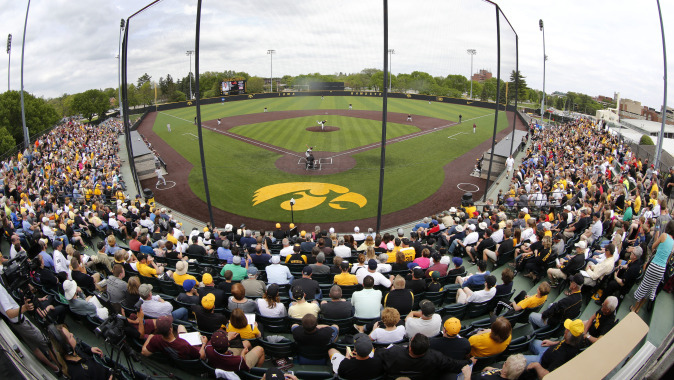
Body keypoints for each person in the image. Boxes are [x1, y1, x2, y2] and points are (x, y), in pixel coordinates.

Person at [0, 282, 60, 373]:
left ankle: (55, 368)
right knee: (47, 345)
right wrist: (24, 308)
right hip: (20, 322)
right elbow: (10, 313)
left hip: (16, 323)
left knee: (34, 347)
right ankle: (61, 367)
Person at [375, 333, 473, 379]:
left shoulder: (393, 352)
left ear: (410, 347)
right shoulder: (435, 356)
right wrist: (469, 362)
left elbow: (378, 352)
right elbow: (453, 364)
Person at [632, 220, 674, 313]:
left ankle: (634, 308)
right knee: (651, 289)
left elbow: (653, 246)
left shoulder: (663, 235)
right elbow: (668, 260)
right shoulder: (673, 243)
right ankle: (638, 309)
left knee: (644, 285)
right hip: (661, 269)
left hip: (654, 265)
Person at [142, 315, 207, 359]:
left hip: (173, 354)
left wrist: (150, 337)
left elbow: (144, 352)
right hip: (186, 357)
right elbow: (201, 356)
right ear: (170, 329)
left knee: (180, 326)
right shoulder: (184, 344)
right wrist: (204, 343)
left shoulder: (156, 339)